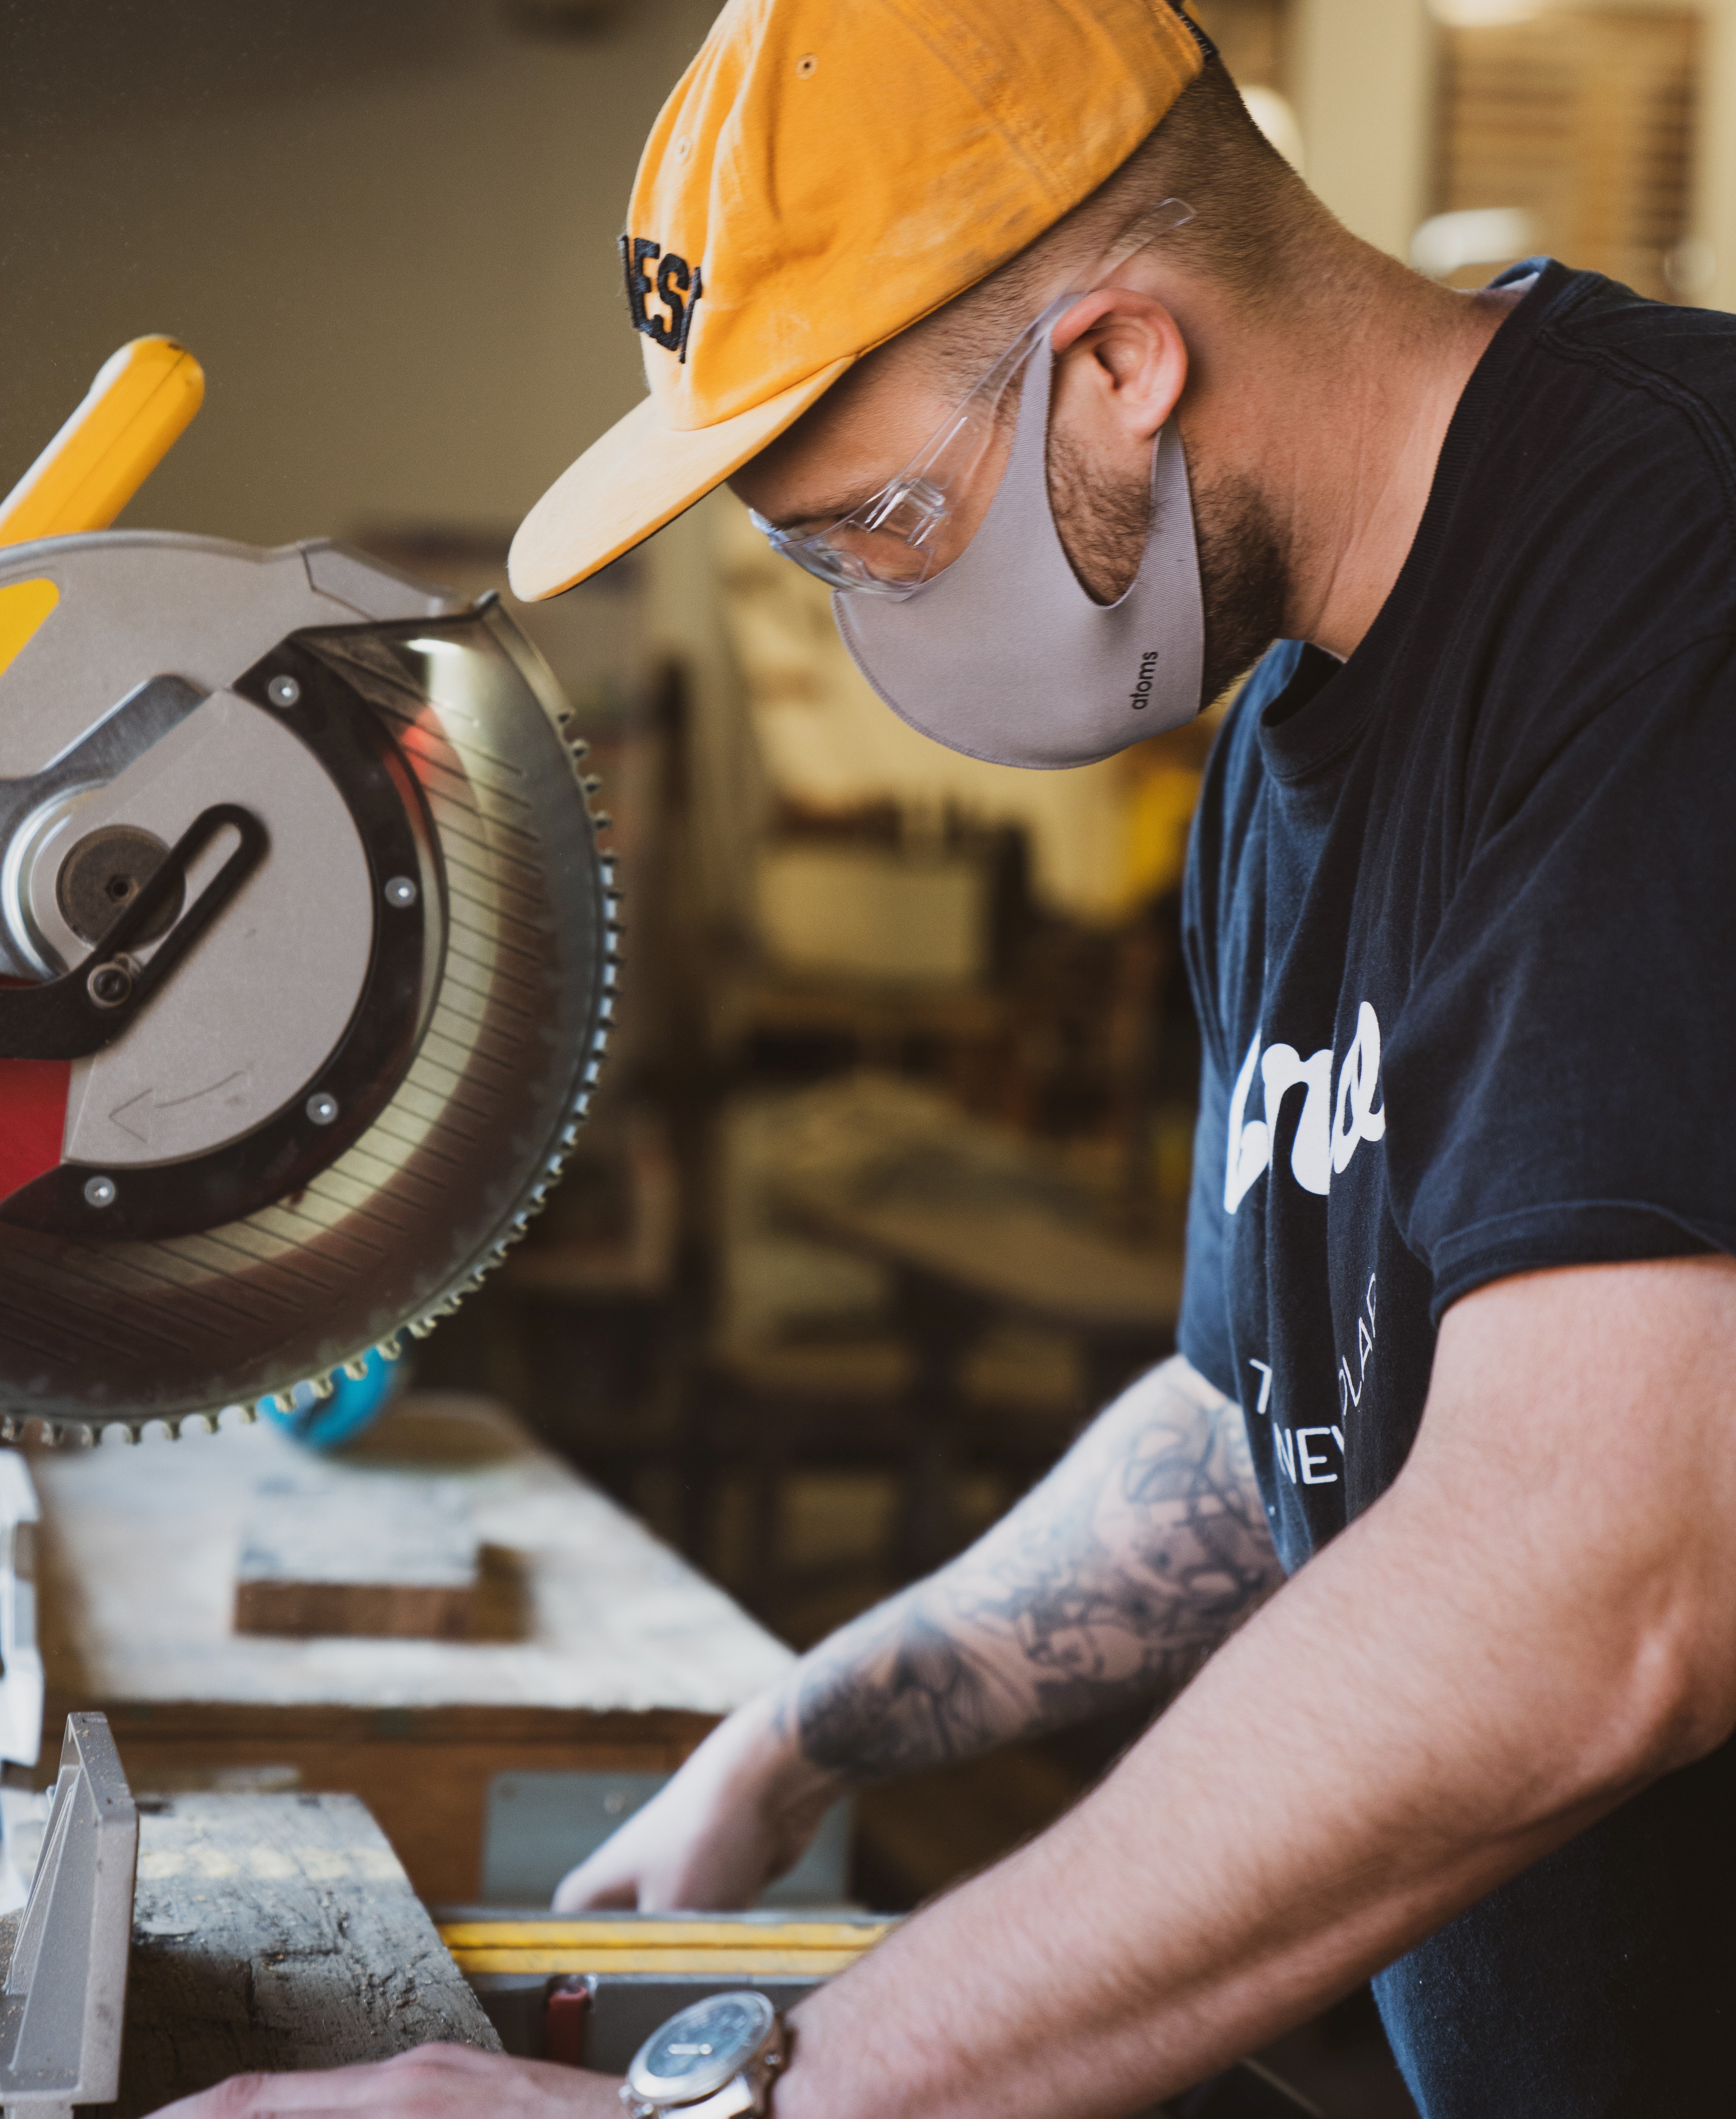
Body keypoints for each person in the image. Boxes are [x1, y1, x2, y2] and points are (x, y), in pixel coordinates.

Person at [159, 0, 1736, 2114]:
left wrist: (756, 2100)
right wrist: (805, 1727)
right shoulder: (1293, 735)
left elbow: (1602, 1583)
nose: (863, 619)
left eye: (877, 529)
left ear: (1119, 362)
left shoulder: (1677, 572)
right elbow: (1270, 1410)